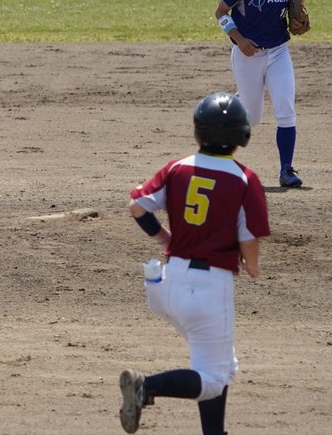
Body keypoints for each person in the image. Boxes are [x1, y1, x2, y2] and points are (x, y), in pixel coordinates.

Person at [118, 92, 270, 434]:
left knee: (221, 366)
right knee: (214, 379)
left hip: (167, 283)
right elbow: (248, 238)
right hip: (208, 289)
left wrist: (165, 238)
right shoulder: (244, 178)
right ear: (242, 134)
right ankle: (146, 386)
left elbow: (138, 206)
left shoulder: (177, 168)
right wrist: (253, 265)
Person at [212, 0, 310, 188]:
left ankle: (286, 170)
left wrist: (300, 23)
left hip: (279, 51)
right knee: (252, 116)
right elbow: (220, 13)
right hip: (248, 53)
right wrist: (238, 38)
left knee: (285, 107)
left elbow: (297, 10)